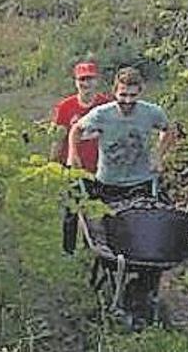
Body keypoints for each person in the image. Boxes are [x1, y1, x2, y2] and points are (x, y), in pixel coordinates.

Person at [67, 66, 174, 327]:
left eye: (132, 96)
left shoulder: (151, 112)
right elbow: (76, 131)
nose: (127, 102)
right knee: (113, 241)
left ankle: (142, 291)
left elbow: (168, 129)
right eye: (122, 96)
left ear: (141, 93)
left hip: (140, 184)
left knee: (147, 241)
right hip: (109, 185)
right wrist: (74, 155)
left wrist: (159, 155)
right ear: (115, 92)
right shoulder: (102, 114)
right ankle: (121, 288)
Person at [51, 61, 111, 254]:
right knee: (72, 210)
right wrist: (54, 165)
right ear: (76, 82)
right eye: (82, 79)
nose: (86, 83)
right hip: (74, 166)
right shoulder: (65, 107)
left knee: (96, 209)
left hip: (99, 167)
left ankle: (93, 249)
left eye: (90, 79)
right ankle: (68, 250)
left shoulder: (106, 105)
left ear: (97, 81)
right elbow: (58, 138)